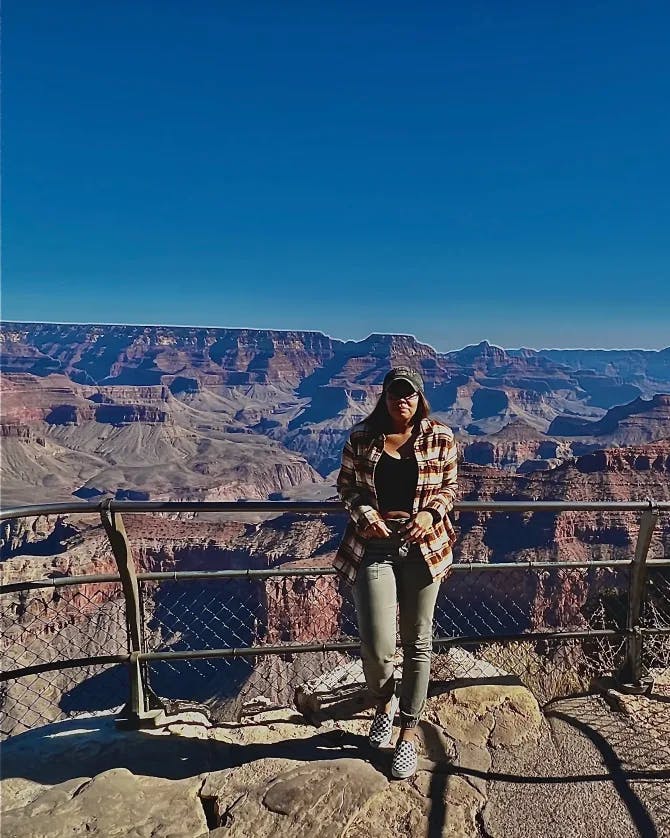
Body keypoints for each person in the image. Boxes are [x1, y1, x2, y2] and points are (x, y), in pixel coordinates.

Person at [335, 366, 458, 779]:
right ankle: (384, 705)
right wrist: (365, 512)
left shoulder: (441, 436)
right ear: (384, 397)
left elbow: (451, 488)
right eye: (393, 394)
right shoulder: (362, 437)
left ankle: (408, 730)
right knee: (376, 643)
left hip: (424, 547)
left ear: (419, 397)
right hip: (375, 546)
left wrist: (430, 513)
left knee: (418, 641)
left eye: (407, 395)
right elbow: (346, 486)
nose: (400, 401)